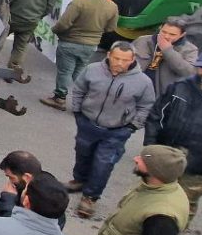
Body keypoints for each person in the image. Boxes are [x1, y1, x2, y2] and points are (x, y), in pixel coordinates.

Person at [142, 50, 202, 235]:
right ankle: (145, 233)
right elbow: (156, 116)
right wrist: (151, 148)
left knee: (185, 204)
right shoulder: (179, 87)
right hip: (167, 156)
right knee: (153, 195)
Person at [64, 41, 156, 218]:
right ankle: (79, 180)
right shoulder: (92, 70)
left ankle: (90, 197)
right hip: (88, 124)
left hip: (117, 131)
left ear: (132, 60)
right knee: (82, 154)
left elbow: (146, 106)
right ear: (108, 55)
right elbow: (79, 90)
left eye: (124, 60)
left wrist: (132, 126)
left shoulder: (143, 82)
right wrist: (78, 112)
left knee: (103, 164)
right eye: (116, 58)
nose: (119, 63)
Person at [91, 145, 189, 235]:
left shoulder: (163, 215)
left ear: (156, 172)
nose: (136, 159)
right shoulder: (152, 185)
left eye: (143, 160)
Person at [41, 0, 118, 110]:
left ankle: (59, 98)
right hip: (91, 45)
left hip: (70, 42)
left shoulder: (79, 3)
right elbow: (111, 28)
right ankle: (85, 99)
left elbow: (64, 24)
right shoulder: (112, 6)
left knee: (65, 71)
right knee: (80, 72)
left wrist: (53, 30)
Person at [6, 0, 62, 82]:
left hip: (12, 16)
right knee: (20, 46)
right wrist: (39, 15)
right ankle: (11, 73)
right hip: (31, 20)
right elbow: (50, 5)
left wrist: (7, 11)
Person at [132, 17, 198, 97]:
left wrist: (168, 51)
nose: (166, 36)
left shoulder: (190, 50)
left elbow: (189, 72)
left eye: (172, 34)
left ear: (182, 35)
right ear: (160, 28)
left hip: (161, 95)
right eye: (164, 32)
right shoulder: (142, 40)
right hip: (135, 89)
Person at [0, 150, 44, 219]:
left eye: (11, 178)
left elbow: (11, 223)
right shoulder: (35, 190)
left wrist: (8, 198)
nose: (10, 182)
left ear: (27, 177)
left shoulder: (45, 202)